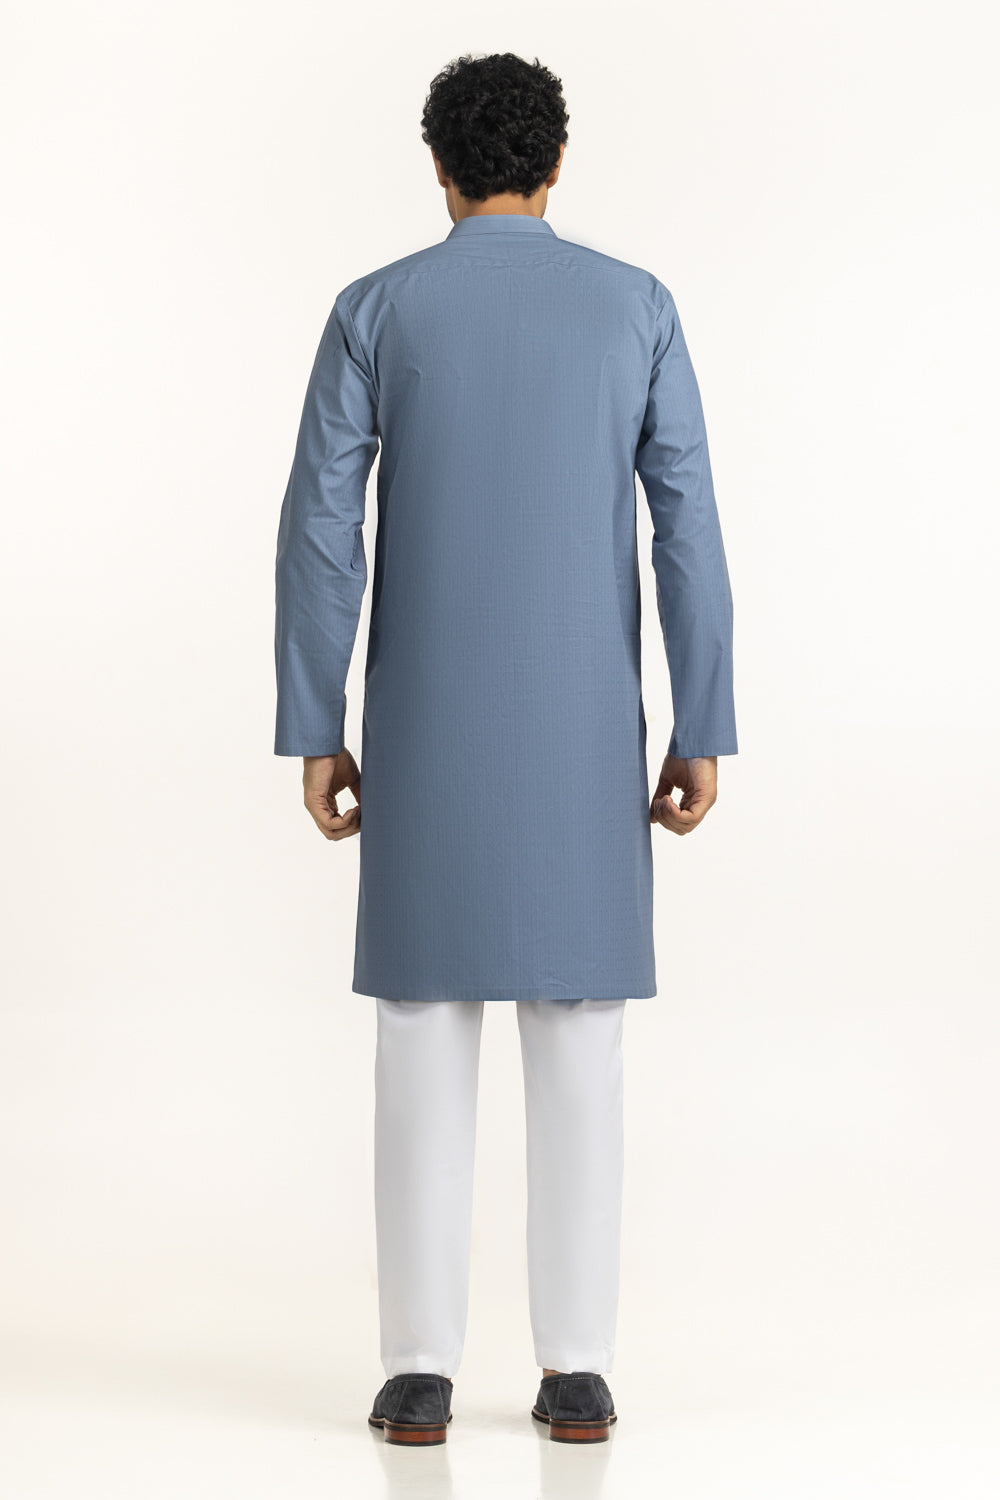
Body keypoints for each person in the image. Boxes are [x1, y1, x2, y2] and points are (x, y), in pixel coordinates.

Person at [273, 51, 738, 1446]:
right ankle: (576, 1370)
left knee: (419, 1034)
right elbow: (687, 525)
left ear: (438, 167)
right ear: (555, 164)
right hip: (585, 725)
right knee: (580, 1040)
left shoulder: (375, 309)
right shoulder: (636, 307)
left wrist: (315, 723)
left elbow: (320, 529)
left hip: (423, 723)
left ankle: (417, 1372)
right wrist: (704, 719)